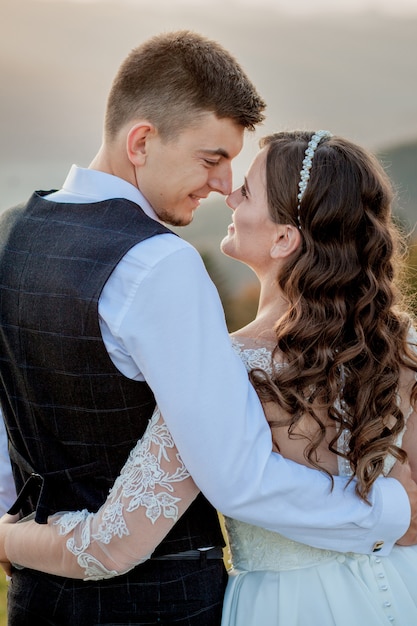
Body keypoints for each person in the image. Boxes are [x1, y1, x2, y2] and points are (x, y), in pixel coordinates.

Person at [0, 28, 416, 623]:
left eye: (239, 178)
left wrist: (11, 526)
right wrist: (389, 515)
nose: (223, 186)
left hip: (41, 601)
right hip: (163, 604)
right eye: (213, 160)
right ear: (142, 141)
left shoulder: (13, 230)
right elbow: (238, 479)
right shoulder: (159, 262)